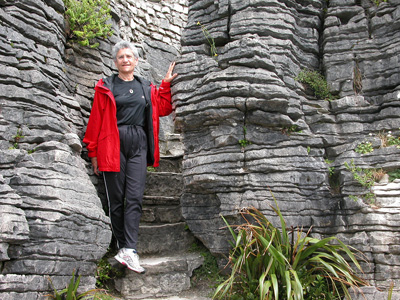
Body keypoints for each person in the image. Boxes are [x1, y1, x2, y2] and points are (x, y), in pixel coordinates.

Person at [83, 40, 178, 274]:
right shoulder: (106, 86)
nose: (125, 60)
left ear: (136, 61)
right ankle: (121, 244)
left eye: (129, 56)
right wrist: (93, 153)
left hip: (139, 143)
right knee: (116, 199)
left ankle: (130, 249)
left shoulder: (146, 87)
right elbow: (95, 120)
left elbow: (163, 108)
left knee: (134, 197)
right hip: (112, 143)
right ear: (115, 62)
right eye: (121, 57)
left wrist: (165, 85)